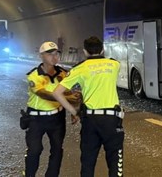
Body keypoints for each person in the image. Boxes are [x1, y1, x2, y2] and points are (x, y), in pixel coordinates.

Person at [52, 36, 124, 177]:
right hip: (112, 120)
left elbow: (57, 93)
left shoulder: (79, 68)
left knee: (88, 162)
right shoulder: (115, 64)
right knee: (115, 161)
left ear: (85, 51)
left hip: (90, 120)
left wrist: (74, 111)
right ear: (102, 49)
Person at [24, 41, 79, 177]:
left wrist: (74, 108)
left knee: (57, 149)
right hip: (36, 118)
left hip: (57, 118)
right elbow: (43, 94)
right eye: (50, 54)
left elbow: (72, 92)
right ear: (41, 56)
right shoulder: (34, 75)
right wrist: (69, 100)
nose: (54, 57)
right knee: (34, 150)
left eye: (56, 54)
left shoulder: (63, 73)